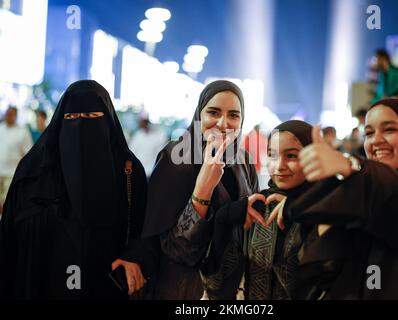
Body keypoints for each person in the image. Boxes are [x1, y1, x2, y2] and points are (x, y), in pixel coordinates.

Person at [269, 99, 398, 299]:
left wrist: (350, 165)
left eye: (389, 130)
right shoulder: (358, 197)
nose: (376, 140)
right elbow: (323, 272)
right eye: (369, 133)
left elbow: (395, 192)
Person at [0, 80, 147, 299]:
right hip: (41, 285)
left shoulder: (128, 171)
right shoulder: (33, 172)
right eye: (71, 118)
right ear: (60, 122)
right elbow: (9, 240)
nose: (80, 125)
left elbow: (144, 230)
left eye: (91, 117)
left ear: (108, 120)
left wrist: (135, 256)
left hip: (104, 288)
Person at [112, 80, 259, 299]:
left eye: (233, 115)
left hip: (232, 290)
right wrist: (203, 189)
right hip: (184, 291)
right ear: (199, 115)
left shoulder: (243, 162)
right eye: (213, 112)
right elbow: (176, 250)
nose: (223, 123)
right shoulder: (176, 159)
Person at [200, 120, 315, 300]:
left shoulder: (327, 209)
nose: (279, 166)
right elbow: (216, 286)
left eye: (291, 156)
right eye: (272, 155)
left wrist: (301, 212)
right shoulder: (258, 208)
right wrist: (224, 218)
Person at [0, 106, 33, 216]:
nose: (9, 117)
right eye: (8, 114)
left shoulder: (22, 132)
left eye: (12, 114)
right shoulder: (0, 128)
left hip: (12, 173)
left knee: (7, 203)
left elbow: (28, 154)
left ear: (16, 116)